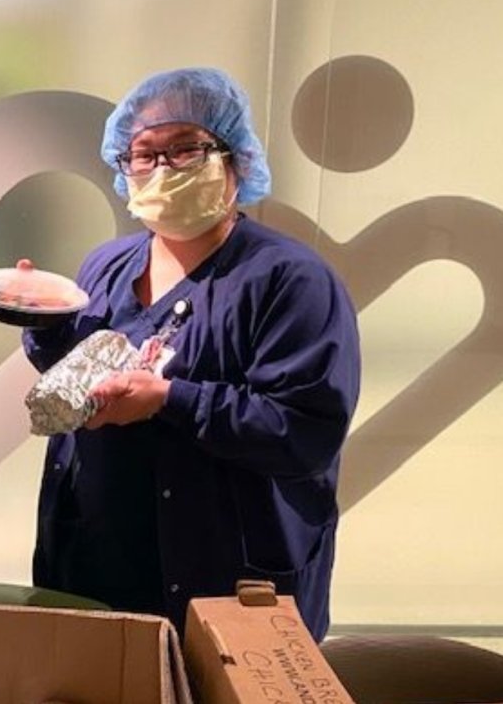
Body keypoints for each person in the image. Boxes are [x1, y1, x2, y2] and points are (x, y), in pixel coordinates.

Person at [22, 67, 361, 641]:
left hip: (230, 579)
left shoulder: (289, 280)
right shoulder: (107, 266)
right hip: (98, 563)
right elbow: (84, 378)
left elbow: (304, 430)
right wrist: (42, 323)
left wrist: (170, 401)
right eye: (143, 154)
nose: (162, 169)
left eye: (186, 150)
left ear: (235, 160)